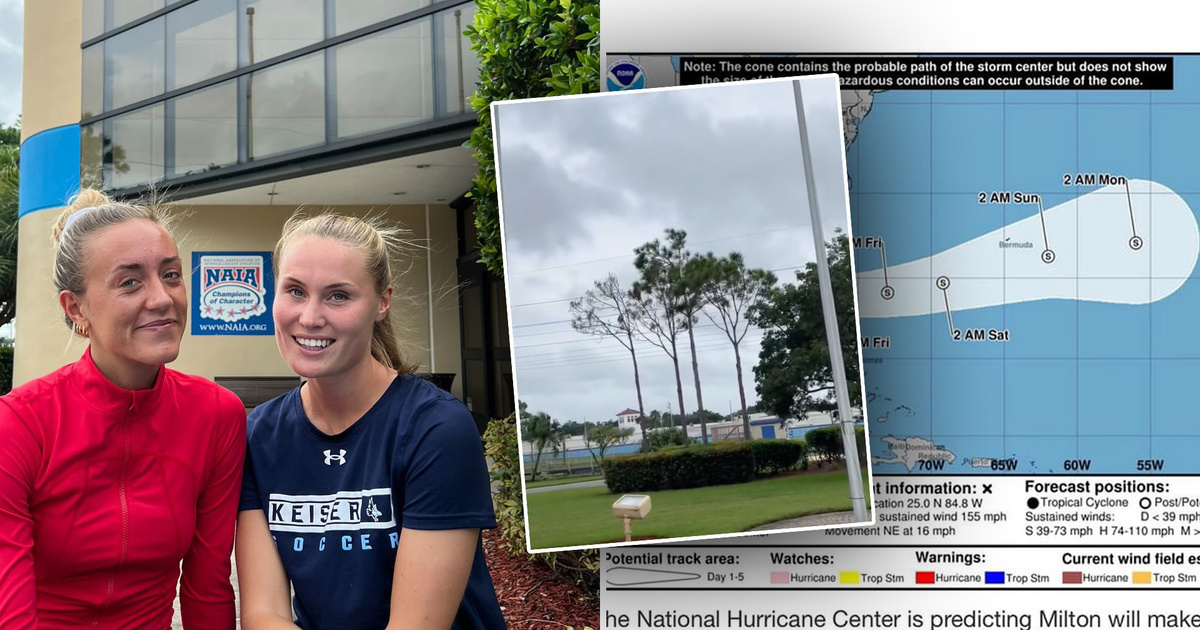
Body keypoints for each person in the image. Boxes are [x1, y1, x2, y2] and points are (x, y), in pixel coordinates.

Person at [236, 213, 505, 630]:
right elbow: (263, 613)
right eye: (294, 291)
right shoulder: (260, 435)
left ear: (382, 303)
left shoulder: (436, 430)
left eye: (338, 296)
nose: (309, 317)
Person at [0, 189, 247, 629]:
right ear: (76, 307)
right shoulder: (19, 423)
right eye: (130, 281)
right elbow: (11, 611)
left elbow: (207, 587)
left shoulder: (218, 415)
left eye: (171, 275)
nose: (162, 298)